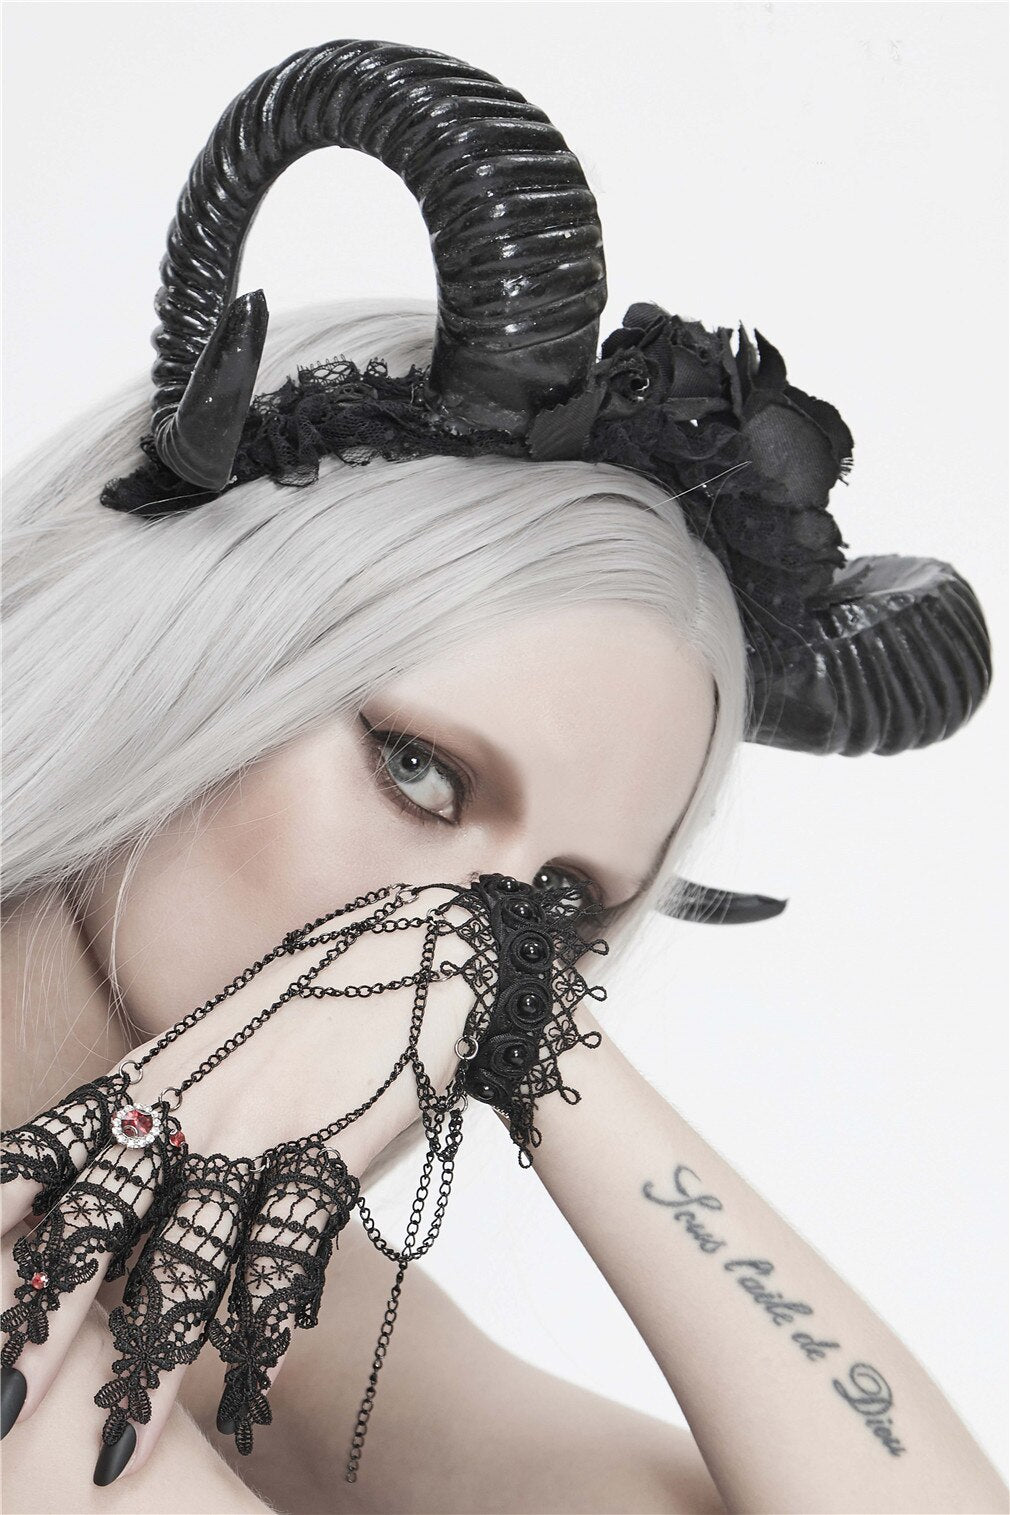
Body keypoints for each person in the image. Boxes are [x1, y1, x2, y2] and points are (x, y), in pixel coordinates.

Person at [2, 38, 1006, 1515]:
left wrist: (541, 1033)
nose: (447, 946)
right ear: (189, 656)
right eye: (418, 772)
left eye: (557, 909)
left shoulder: (260, 1303)